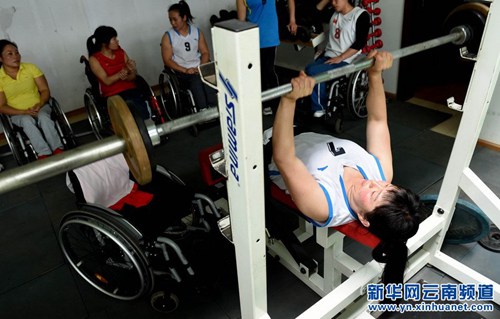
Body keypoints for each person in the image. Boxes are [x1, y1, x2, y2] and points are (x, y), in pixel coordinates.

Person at [269, 51, 423, 286]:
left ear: (363, 218)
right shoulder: (381, 173)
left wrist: (289, 100)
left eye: (373, 194)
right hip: (307, 133)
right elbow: (377, 120)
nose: (373, 182)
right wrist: (375, 74)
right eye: (385, 187)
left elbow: (284, 158)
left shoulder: (324, 204)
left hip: (272, 141)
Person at [0, 39, 63, 159]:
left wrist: (40, 104)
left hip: (40, 106)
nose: (16, 56)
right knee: (26, 121)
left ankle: (57, 148)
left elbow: (44, 90)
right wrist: (23, 112)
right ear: (1, 59)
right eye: (10, 54)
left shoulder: (30, 68)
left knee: (44, 118)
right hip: (18, 114)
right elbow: (1, 106)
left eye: (17, 52)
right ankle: (43, 152)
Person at [305, 0, 370, 117]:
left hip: (347, 60)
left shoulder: (360, 15)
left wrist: (341, 57)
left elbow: (360, 43)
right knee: (308, 68)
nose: (333, 3)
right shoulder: (334, 13)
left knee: (315, 72)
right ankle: (313, 100)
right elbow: (314, 12)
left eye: (336, 0)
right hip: (329, 56)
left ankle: (320, 107)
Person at [236, 0, 296, 116]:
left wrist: (292, 20)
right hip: (253, 38)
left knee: (268, 70)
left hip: (269, 36)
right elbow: (241, 22)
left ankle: (278, 103)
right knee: (258, 72)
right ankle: (265, 103)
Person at [161, 1, 217, 111]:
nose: (172, 23)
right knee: (196, 80)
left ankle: (214, 107)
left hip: (198, 67)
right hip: (181, 72)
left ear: (184, 18)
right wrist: (185, 70)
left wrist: (201, 66)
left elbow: (205, 53)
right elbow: (167, 60)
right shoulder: (168, 36)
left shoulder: (196, 32)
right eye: (170, 20)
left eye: (175, 19)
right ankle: (203, 110)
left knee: (209, 76)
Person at [86, 26, 150, 120]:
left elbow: (133, 75)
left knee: (138, 106)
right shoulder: (94, 59)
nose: (117, 41)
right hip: (112, 94)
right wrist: (124, 71)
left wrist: (128, 74)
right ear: (105, 42)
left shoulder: (121, 52)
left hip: (130, 89)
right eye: (114, 39)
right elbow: (107, 81)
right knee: (127, 109)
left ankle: (146, 123)